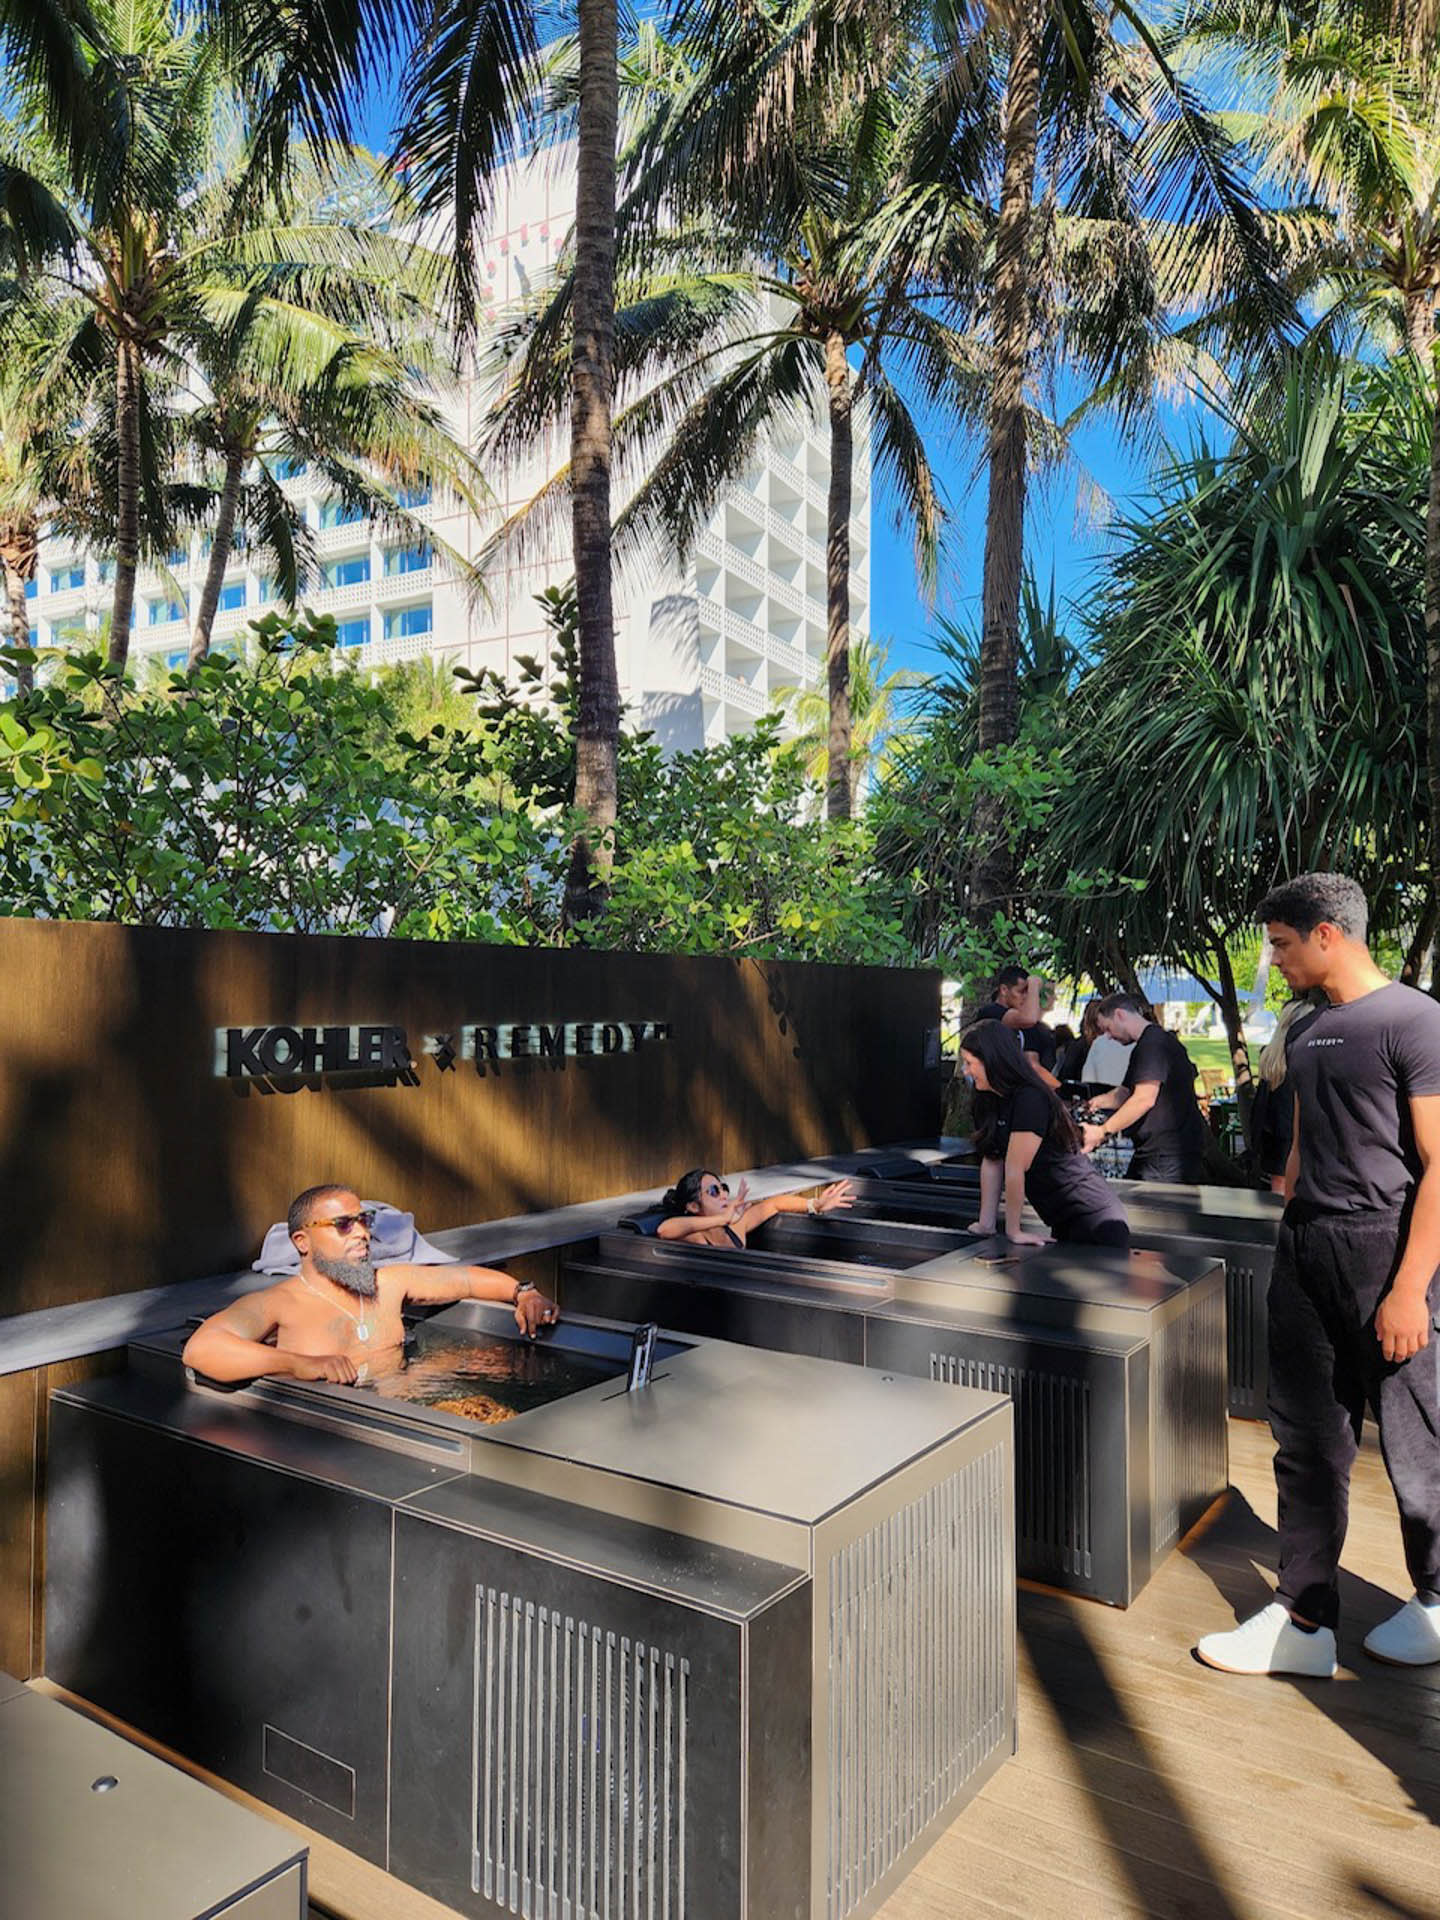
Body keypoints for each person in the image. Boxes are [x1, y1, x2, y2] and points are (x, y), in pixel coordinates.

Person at [1196, 873, 1440, 1677]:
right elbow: (1304, 1140)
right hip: (1305, 1248)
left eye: (1281, 944)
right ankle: (1304, 1620)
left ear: (1329, 933)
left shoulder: (1414, 1020)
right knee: (1303, 1437)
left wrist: (1409, 1288)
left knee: (1418, 1442)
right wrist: (1292, 1211)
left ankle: (1437, 1602)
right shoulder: (1307, 1029)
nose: (1275, 960)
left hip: (1388, 1250)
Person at [182, 1184, 559, 1384]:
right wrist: (298, 1363)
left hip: (411, 1408)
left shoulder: (389, 1283)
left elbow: (465, 1280)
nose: (361, 1233)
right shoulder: (280, 1303)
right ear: (302, 1242)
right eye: (344, 1224)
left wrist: (523, 1292)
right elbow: (202, 1349)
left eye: (364, 1221)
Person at [960, 1020, 1131, 1248]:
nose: (965, 1071)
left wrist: (1014, 1231)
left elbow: (1015, 1166)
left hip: (1093, 1214)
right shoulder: (986, 1099)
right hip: (1059, 1215)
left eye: (970, 1063)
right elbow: (992, 1159)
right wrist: (986, 1224)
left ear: (992, 1061)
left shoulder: (1030, 1098)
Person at [1080, 992, 1208, 1182]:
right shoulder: (1147, 1043)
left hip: (1166, 1157)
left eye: (1107, 1028)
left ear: (1120, 1015)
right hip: (1154, 1153)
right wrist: (1100, 1101)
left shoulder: (1153, 1045)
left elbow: (1143, 1099)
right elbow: (1126, 1092)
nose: (1107, 1037)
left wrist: (1102, 1131)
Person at [656, 1169, 855, 1247]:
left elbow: (774, 1204)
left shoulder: (736, 1225)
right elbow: (664, 1230)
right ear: (692, 1205)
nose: (724, 1194)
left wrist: (815, 1204)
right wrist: (723, 1219)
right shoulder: (695, 1236)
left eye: (723, 1188)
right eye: (714, 1191)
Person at [1247, 998, 1319, 1193]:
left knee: (1279, 1186)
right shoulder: (1300, 1057)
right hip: (1288, 1136)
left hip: (1274, 1137)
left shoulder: (1271, 1057)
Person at [973, 966, 1060, 1081]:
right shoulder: (991, 1012)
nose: (1025, 997)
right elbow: (1029, 1019)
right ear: (1004, 990)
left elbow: (1032, 1063)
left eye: (1027, 993)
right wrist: (1033, 986)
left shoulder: (1023, 1023)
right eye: (1020, 992)